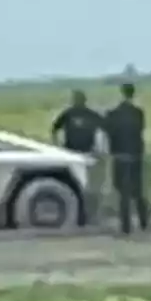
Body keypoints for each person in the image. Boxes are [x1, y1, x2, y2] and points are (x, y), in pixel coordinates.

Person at [51, 90, 107, 224]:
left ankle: (87, 215)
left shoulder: (80, 114)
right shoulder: (71, 114)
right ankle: (84, 215)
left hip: (82, 154)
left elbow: (54, 130)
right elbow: (54, 129)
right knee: (82, 186)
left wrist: (57, 146)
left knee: (84, 187)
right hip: (74, 155)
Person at [103, 82, 149, 235]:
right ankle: (143, 221)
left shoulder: (113, 114)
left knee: (123, 192)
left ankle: (126, 226)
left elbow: (108, 132)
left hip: (120, 156)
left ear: (122, 93)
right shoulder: (138, 113)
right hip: (135, 155)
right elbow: (141, 130)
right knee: (138, 190)